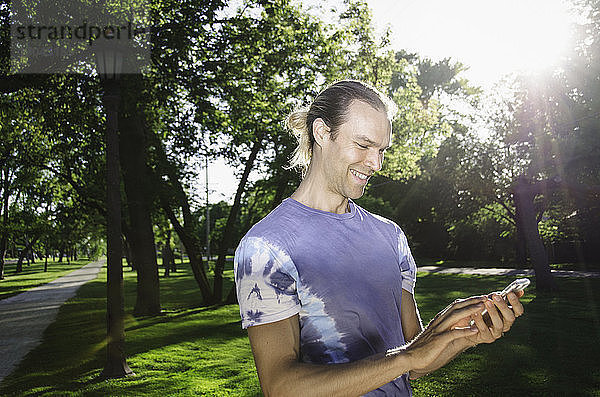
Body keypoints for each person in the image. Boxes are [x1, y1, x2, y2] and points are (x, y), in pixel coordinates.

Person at [233, 80, 525, 396]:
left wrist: (464, 334)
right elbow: (280, 387)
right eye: (363, 145)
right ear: (321, 133)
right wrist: (407, 355)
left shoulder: (391, 236)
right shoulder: (266, 247)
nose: (375, 164)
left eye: (381, 150)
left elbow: (414, 363)